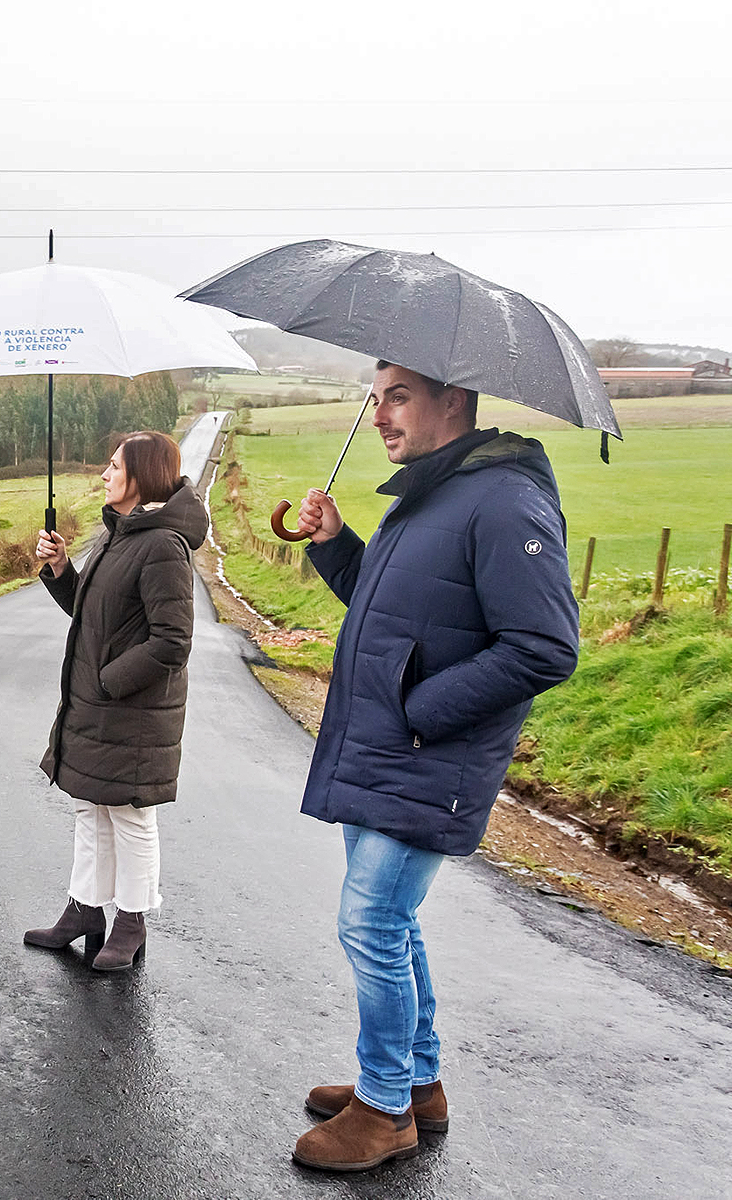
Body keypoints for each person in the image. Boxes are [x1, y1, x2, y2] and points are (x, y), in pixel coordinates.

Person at [287, 363, 579, 1172]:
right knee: (392, 923)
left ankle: (383, 1111)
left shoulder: (504, 499)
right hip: (388, 751)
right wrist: (336, 545)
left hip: (427, 753)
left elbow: (545, 646)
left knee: (371, 923)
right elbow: (395, 614)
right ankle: (415, 1084)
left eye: (398, 397)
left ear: (453, 399)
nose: (380, 415)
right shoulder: (428, 491)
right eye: (375, 398)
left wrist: (423, 709)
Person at [24, 431, 205, 972]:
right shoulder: (118, 535)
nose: (104, 475)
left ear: (141, 477)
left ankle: (131, 920)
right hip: (98, 706)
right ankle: (85, 910)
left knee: (129, 814)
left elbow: (172, 640)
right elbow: (94, 612)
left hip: (129, 709)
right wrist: (61, 570)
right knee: (90, 807)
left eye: (113, 466)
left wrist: (108, 682)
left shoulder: (162, 546)